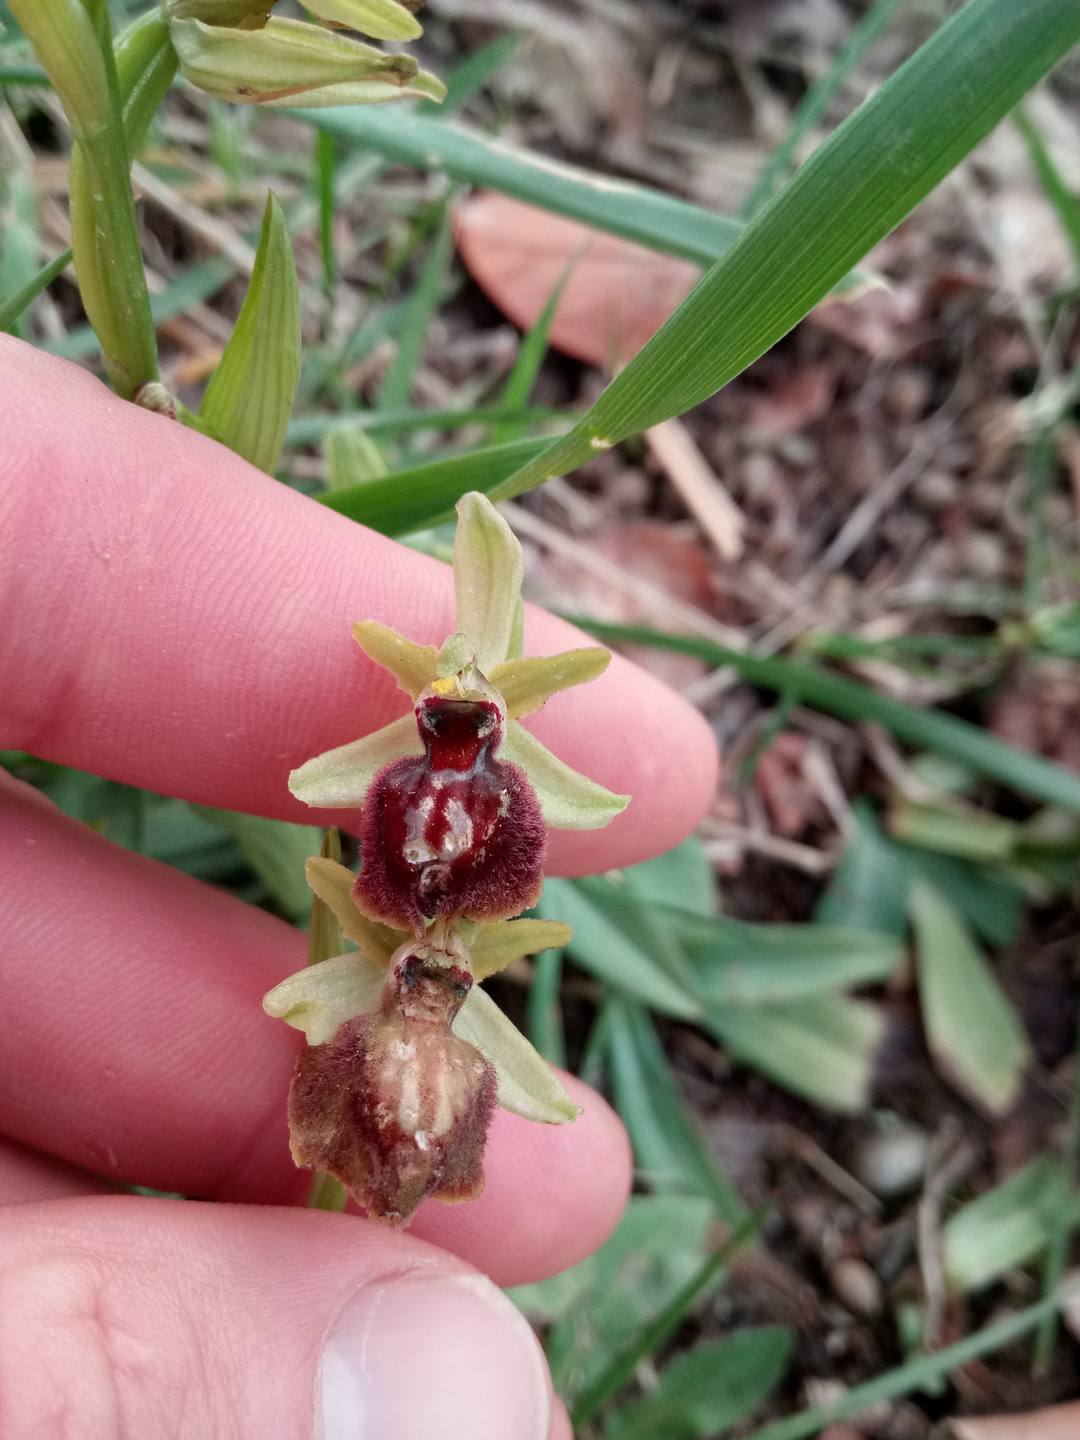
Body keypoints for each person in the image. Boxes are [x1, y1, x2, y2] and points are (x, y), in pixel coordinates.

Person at [0, 333, 717, 1438]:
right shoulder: (414, 765)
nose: (463, 728)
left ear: (502, 718)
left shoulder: (480, 792)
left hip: (427, 977)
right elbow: (323, 801)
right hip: (405, 965)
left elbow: (563, 819)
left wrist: (432, 954)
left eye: (478, 723)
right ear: (427, 709)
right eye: (449, 718)